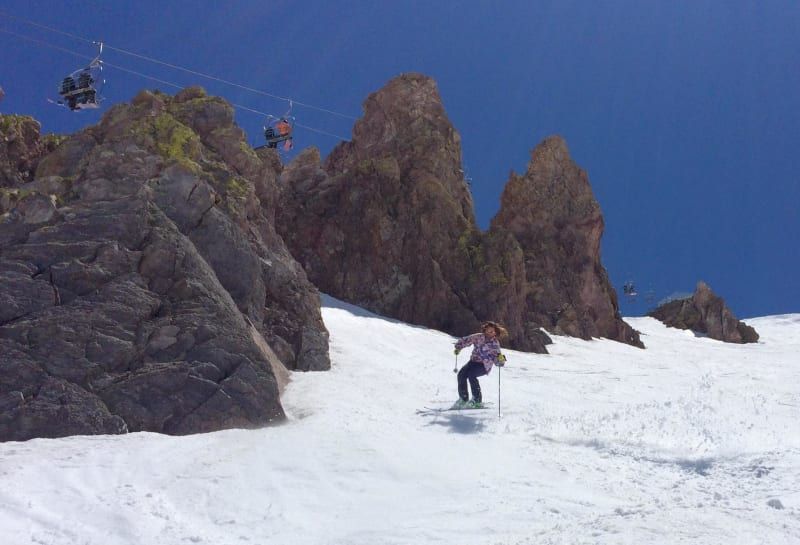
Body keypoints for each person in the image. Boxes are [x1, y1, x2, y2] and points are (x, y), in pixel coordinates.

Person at [453, 321, 508, 408]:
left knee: (472, 375)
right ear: (485, 330)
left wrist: (501, 361)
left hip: (484, 365)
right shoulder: (478, 337)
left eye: (493, 331)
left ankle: (477, 401)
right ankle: (463, 399)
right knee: (461, 375)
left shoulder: (495, 343)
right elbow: (467, 340)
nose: (491, 333)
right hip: (473, 362)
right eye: (489, 331)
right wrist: (459, 346)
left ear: (495, 332)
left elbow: (498, 355)